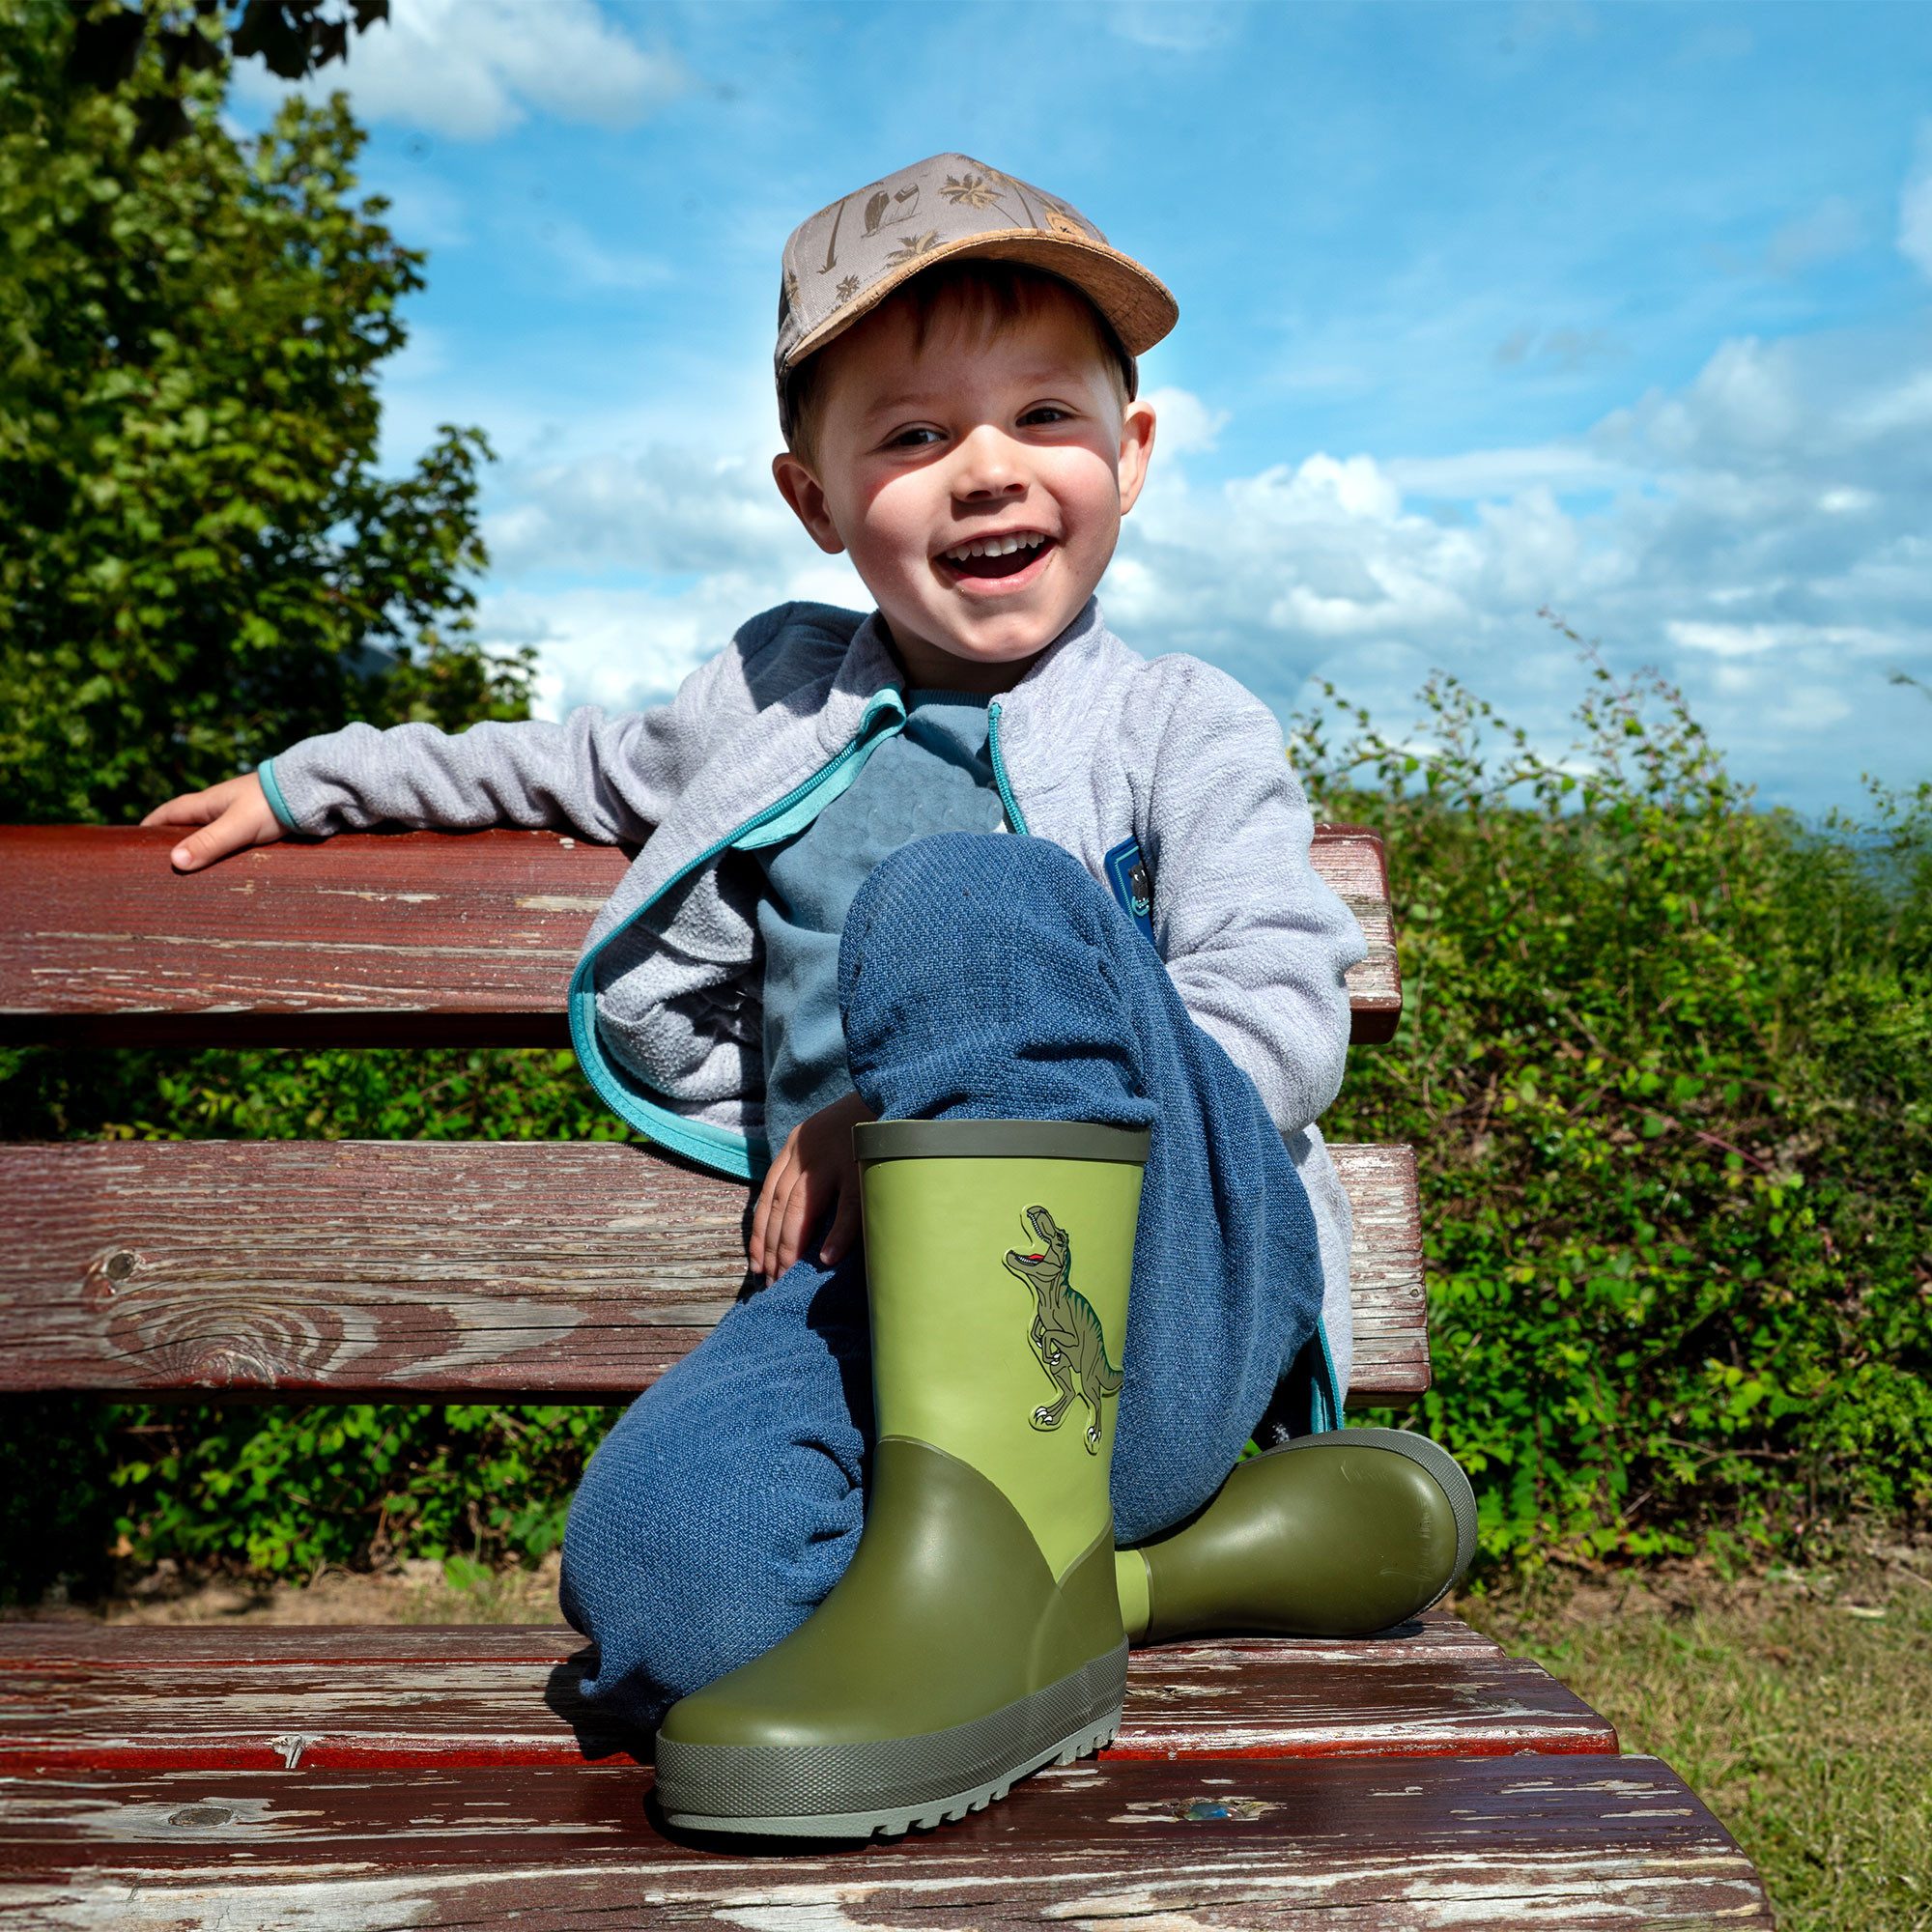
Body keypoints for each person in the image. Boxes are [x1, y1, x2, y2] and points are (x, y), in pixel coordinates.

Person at [144, 154, 1474, 1838]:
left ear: (1129, 459)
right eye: (912, 437)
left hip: (1153, 1310)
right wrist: (310, 784)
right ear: (817, 499)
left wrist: (909, 1099)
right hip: (889, 1332)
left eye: (1043, 417)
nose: (984, 469)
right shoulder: (771, 699)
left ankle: (1083, 1546)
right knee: (659, 1591)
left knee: (975, 905)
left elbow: (1278, 1016)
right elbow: (558, 761)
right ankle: (1138, 1590)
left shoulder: (1178, 724)